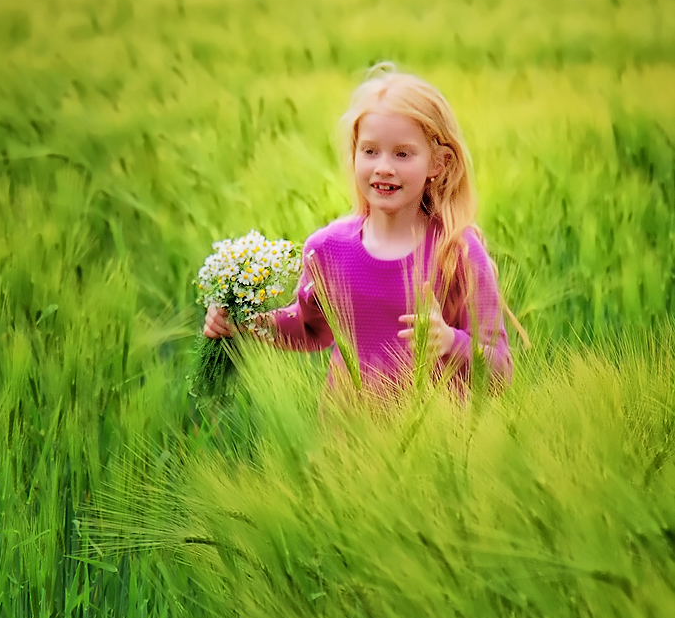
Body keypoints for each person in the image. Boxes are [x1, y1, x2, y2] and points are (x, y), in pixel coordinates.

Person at [204, 64, 519, 397]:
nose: (383, 167)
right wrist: (243, 321)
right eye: (370, 151)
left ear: (437, 163)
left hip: (439, 443)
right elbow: (307, 329)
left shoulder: (457, 251)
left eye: (402, 153)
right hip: (345, 438)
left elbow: (502, 371)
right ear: (354, 154)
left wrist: (450, 342)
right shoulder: (327, 249)